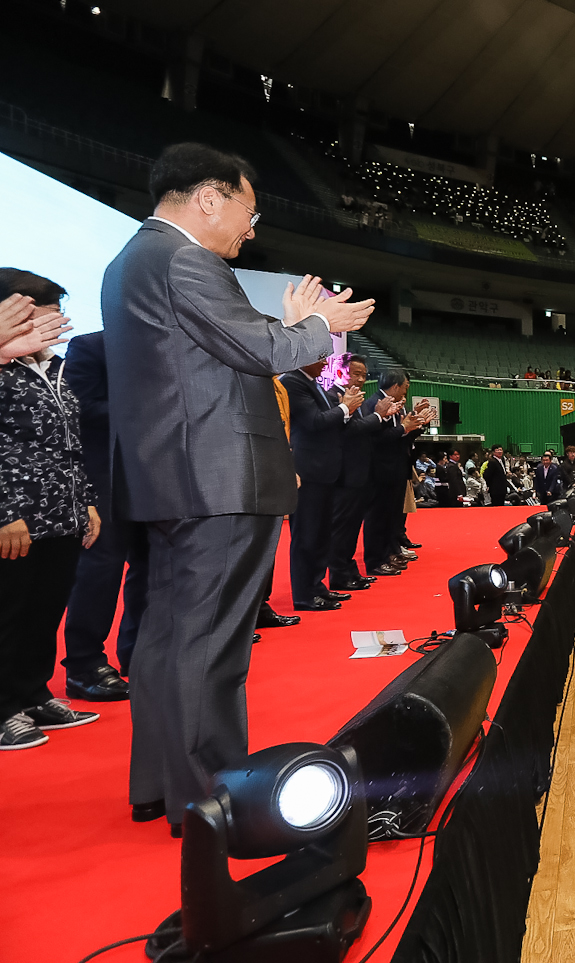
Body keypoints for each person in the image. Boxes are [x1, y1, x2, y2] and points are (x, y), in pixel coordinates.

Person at [102, 143, 372, 828]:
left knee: (169, 636)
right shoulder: (186, 259)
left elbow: (216, 353)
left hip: (177, 478)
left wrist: (287, 326)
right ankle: (211, 797)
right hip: (217, 477)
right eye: (248, 213)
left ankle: (164, 782)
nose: (251, 231)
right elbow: (257, 349)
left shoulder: (134, 259)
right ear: (209, 198)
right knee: (210, 646)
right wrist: (319, 328)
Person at [1, 271, 103, 750]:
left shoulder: (56, 369)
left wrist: (86, 500)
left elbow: (70, 445)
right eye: (42, 315)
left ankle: (32, 693)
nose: (54, 325)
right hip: (15, 515)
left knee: (45, 607)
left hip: (60, 511)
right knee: (10, 609)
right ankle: (3, 708)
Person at [60, 330, 145, 700]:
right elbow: (80, 408)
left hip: (156, 478)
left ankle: (139, 654)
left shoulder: (169, 345)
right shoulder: (91, 346)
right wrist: (148, 406)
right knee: (100, 571)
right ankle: (84, 663)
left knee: (153, 569)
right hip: (105, 478)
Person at [282, 356, 363, 610]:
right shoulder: (292, 382)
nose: (324, 364)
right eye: (318, 358)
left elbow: (330, 423)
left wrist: (344, 411)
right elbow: (314, 422)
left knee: (320, 534)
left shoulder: (312, 383)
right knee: (306, 535)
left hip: (326, 471)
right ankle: (304, 594)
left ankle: (317, 586)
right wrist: (345, 408)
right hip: (309, 470)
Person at [330, 354, 403, 590]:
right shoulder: (338, 397)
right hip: (347, 473)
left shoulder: (359, 400)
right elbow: (354, 432)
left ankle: (348, 570)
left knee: (352, 528)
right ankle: (340, 573)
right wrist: (380, 416)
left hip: (363, 473)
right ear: (340, 371)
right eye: (355, 374)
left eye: (363, 375)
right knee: (344, 528)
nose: (361, 379)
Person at [363, 372, 427, 570]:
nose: (407, 390)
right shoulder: (376, 404)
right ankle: (377, 559)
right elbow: (376, 440)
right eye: (405, 386)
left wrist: (415, 424)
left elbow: (403, 436)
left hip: (395, 468)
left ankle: (390, 552)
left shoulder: (393, 404)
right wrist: (403, 428)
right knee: (378, 517)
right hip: (381, 470)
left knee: (390, 516)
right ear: (395, 386)